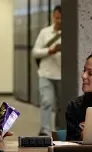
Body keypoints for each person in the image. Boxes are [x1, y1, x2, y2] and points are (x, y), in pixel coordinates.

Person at [32, 5, 62, 136]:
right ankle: (45, 130)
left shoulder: (70, 33)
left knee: (62, 106)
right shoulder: (45, 32)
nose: (59, 21)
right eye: (57, 18)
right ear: (53, 17)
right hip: (46, 73)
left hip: (62, 75)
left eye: (62, 18)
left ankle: (60, 131)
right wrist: (50, 50)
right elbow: (35, 52)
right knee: (46, 102)